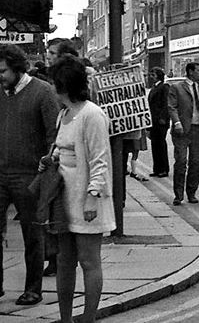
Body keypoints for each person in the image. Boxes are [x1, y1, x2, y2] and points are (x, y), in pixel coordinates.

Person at [44, 56, 115, 323]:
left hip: (86, 199)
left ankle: (87, 319)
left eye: (54, 81)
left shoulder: (92, 114)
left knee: (88, 262)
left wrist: (92, 197)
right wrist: (51, 159)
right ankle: (65, 319)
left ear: (63, 84)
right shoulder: (63, 114)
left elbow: (100, 159)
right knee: (64, 261)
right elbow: (61, 150)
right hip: (64, 199)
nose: (51, 86)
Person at [0, 44, 60, 305]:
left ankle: (33, 288)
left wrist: (43, 173)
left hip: (29, 176)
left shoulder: (42, 92)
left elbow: (54, 137)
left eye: (2, 70)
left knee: (32, 235)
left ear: (16, 68)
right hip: (0, 174)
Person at [167, 62, 199, 205]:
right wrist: (176, 122)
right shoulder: (177, 87)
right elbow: (171, 107)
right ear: (190, 72)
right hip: (183, 130)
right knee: (181, 162)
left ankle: (191, 193)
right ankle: (178, 195)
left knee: (197, 163)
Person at [147, 68, 171, 178]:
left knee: (161, 144)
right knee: (155, 144)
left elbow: (166, 104)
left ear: (158, 76)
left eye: (153, 74)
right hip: (154, 121)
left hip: (161, 121)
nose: (150, 76)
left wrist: (163, 118)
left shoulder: (164, 87)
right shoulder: (154, 87)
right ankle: (157, 169)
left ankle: (164, 169)